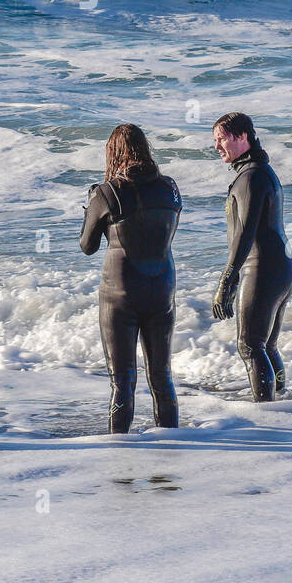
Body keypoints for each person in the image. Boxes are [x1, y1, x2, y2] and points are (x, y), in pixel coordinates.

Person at [80, 124, 182, 433]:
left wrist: (90, 208)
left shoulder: (107, 192)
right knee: (161, 376)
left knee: (122, 380)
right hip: (163, 288)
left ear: (113, 154)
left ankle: (119, 455)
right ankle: (171, 447)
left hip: (120, 293)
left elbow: (88, 246)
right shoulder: (170, 187)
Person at [211, 111, 292, 402]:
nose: (217, 146)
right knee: (267, 345)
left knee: (249, 346)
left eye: (222, 138)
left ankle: (266, 413)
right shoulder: (262, 172)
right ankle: (283, 403)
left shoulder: (250, 177)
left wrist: (227, 280)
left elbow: (245, 235)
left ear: (243, 136)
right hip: (282, 269)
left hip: (261, 269)